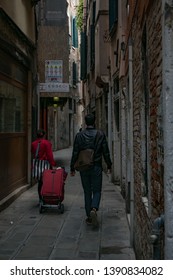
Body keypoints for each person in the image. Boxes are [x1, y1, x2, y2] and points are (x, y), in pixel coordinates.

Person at [70, 113, 112, 227]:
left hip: (84, 167)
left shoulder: (79, 136)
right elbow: (106, 152)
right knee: (97, 190)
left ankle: (89, 216)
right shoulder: (100, 134)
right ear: (94, 122)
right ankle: (94, 208)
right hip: (97, 167)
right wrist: (109, 165)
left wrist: (72, 167)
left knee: (87, 192)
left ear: (85, 122)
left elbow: (75, 152)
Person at [31, 129, 56, 200]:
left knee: (40, 182)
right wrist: (53, 163)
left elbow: (33, 152)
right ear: (44, 135)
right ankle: (46, 196)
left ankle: (40, 198)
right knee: (46, 181)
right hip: (45, 164)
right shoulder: (47, 143)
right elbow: (49, 155)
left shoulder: (33, 144)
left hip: (37, 165)